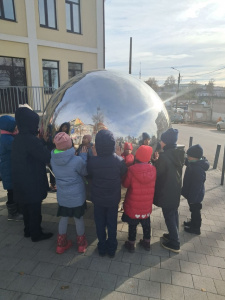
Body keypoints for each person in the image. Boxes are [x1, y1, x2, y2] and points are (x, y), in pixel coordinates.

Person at [11, 107, 53, 242]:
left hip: (20, 181)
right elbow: (46, 156)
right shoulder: (31, 140)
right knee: (35, 209)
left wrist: (42, 142)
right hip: (32, 182)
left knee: (25, 208)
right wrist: (47, 144)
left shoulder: (18, 138)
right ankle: (36, 234)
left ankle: (27, 230)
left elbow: (31, 150)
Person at [87, 129, 127, 257]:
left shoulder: (93, 161)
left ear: (97, 145)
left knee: (99, 223)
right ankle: (112, 247)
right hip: (113, 199)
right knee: (112, 223)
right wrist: (119, 156)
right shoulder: (119, 161)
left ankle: (102, 247)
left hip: (98, 199)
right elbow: (123, 172)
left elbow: (89, 174)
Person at [51, 132, 88, 253]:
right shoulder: (77, 160)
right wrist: (83, 156)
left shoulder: (53, 159)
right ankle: (81, 245)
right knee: (78, 218)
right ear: (69, 145)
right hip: (76, 197)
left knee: (64, 218)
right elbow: (84, 172)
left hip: (63, 196)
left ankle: (61, 245)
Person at [153, 128, 185, 253]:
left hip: (166, 191)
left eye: (162, 140)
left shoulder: (164, 156)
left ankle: (175, 243)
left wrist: (155, 162)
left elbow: (158, 174)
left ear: (165, 142)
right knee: (173, 213)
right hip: (174, 190)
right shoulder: (178, 153)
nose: (160, 142)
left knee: (169, 216)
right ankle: (173, 235)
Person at [122, 145, 156, 252]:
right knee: (146, 223)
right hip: (146, 204)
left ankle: (131, 244)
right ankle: (147, 242)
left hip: (133, 204)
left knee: (132, 225)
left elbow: (126, 184)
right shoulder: (153, 169)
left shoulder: (131, 169)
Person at [181, 144, 209, 235]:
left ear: (195, 157)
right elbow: (187, 161)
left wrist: (193, 198)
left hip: (195, 195)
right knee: (193, 210)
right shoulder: (194, 162)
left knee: (195, 210)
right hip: (192, 194)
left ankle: (196, 228)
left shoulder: (198, 169)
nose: (187, 157)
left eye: (189, 156)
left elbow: (197, 186)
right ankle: (193, 222)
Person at [0, 115, 23, 221]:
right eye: (14, 126)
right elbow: (18, 150)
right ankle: (12, 214)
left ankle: (15, 211)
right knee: (12, 192)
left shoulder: (5, 136)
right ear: (8, 126)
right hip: (9, 169)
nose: (16, 128)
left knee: (12, 191)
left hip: (8, 168)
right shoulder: (8, 139)